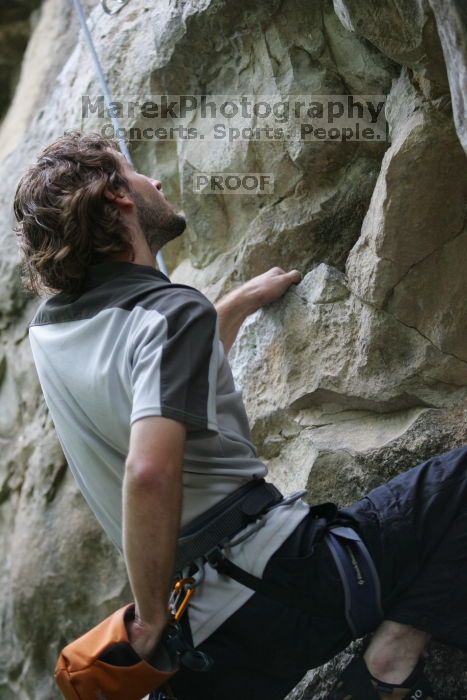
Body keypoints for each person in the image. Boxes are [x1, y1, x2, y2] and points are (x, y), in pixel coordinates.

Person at [13, 129, 467, 700]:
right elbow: (150, 471)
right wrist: (149, 619)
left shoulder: (53, 334)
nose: (154, 181)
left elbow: (157, 385)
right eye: (135, 174)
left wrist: (227, 309)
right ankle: (389, 667)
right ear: (117, 198)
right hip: (288, 583)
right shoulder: (167, 313)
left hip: (208, 644)